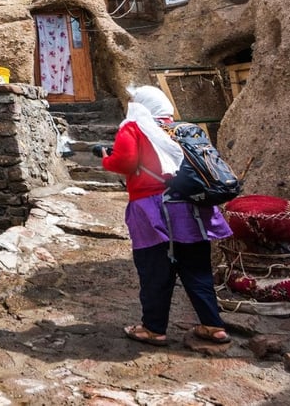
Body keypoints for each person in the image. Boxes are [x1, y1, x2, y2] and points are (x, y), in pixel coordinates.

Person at [93, 85, 233, 346]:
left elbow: (125, 162)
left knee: (155, 269)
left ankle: (153, 329)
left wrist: (105, 160)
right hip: (192, 209)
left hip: (153, 210)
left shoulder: (134, 127)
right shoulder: (184, 129)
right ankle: (214, 326)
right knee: (197, 268)